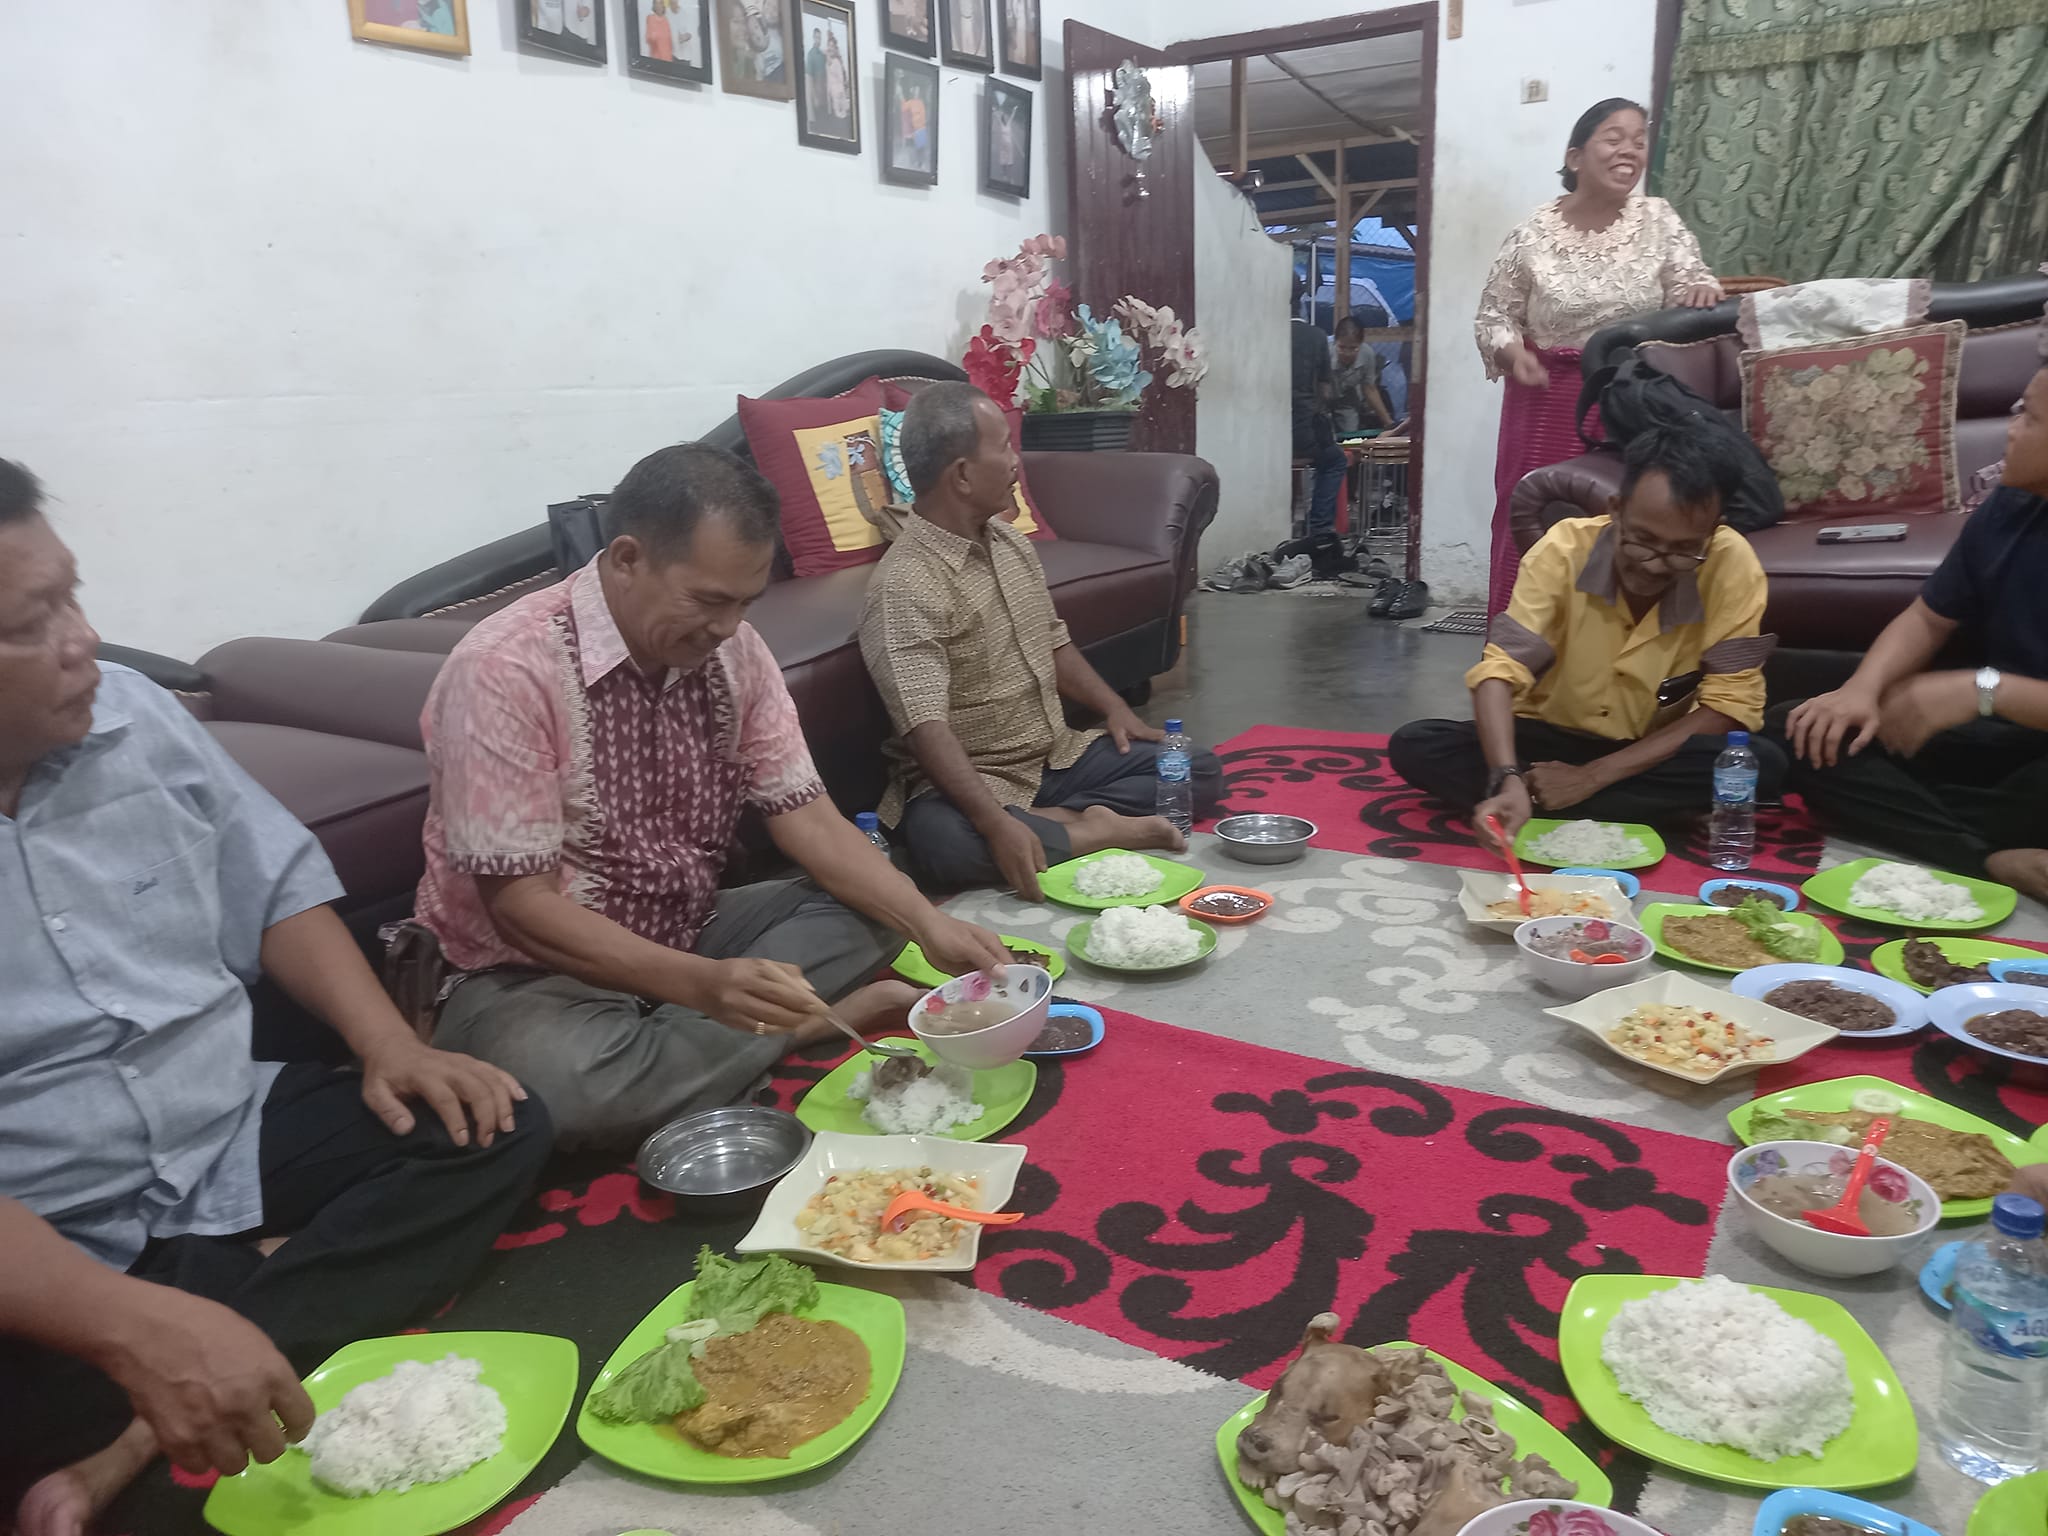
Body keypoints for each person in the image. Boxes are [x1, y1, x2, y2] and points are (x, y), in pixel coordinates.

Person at [0, 460, 550, 1536]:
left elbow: (275, 891)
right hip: (42, 1220)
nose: (83, 639)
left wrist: (390, 1043)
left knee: (493, 1122)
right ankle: (226, 1305)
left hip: (221, 1123)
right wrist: (118, 1321)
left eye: (72, 596)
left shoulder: (137, 717)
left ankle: (143, 1421)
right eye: (32, 623)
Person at [410, 444, 1007, 1151]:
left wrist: (926, 924)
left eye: (745, 602)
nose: (727, 627)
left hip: (686, 923)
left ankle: (698, 1045)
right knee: (568, 1088)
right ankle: (802, 1025)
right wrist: (703, 986)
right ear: (627, 560)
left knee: (877, 903)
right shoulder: (503, 670)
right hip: (528, 973)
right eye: (709, 600)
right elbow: (521, 909)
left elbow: (808, 818)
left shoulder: (735, 652)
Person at [859, 383, 1225, 895]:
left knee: (1194, 769)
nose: (1016, 461)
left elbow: (1052, 642)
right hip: (975, 780)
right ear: (962, 475)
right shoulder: (905, 583)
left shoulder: (1010, 543)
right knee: (943, 844)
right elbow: (926, 728)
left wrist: (1115, 709)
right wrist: (993, 822)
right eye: (1004, 447)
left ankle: (1049, 828)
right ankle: (1094, 832)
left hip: (1057, 759)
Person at [1388, 426, 1786, 841]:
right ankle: (1657, 810)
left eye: (1683, 550)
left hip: (1647, 750)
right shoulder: (1563, 549)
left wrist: (1592, 776)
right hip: (1546, 740)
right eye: (1642, 540)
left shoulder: (1731, 563)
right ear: (1616, 509)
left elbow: (1728, 705)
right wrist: (1506, 775)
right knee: (1417, 744)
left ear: (1713, 530)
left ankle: (1564, 804)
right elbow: (1499, 672)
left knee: (1763, 763)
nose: (1654, 565)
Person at [1778, 363, 2048, 902]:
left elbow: (1984, 691)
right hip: (1999, 742)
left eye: (2032, 418)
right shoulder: (2012, 505)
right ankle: (1989, 858)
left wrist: (1982, 690)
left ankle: (1951, 830)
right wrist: (1859, 691)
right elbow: (1927, 617)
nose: (2012, 428)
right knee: (1807, 729)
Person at [1475, 97, 1723, 614]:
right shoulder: (1532, 234)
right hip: (1546, 398)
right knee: (1536, 525)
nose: (1629, 150)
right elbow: (1495, 316)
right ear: (1575, 157)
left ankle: (1612, 648)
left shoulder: (1659, 219)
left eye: (1639, 141)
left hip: (1631, 397)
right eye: (1614, 138)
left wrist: (1701, 290)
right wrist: (1513, 353)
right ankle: (1522, 647)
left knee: (1628, 524)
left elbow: (1691, 282)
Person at [1291, 281, 1346, 536]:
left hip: (1263, 436)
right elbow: (1326, 391)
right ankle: (1320, 528)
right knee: (1335, 461)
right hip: (1302, 435)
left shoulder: (1262, 334)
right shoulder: (1316, 336)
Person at [1330, 315, 1392, 437]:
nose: (1347, 353)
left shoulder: (1367, 354)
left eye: (1353, 348)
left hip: (1347, 401)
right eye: (1342, 347)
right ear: (1335, 341)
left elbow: (1370, 389)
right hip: (1323, 401)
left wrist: (1388, 422)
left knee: (1350, 435)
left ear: (1361, 344)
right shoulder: (1326, 352)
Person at [824, 30, 850, 126]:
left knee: (840, 115)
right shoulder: (828, 62)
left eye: (832, 46)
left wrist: (840, 94)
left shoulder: (836, 61)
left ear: (835, 48)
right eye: (828, 46)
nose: (829, 48)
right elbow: (829, 78)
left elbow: (841, 79)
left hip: (838, 92)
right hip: (832, 92)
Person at [806, 26, 828, 113]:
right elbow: (810, 79)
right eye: (817, 37)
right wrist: (815, 97)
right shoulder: (811, 54)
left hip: (825, 92)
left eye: (820, 38)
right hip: (817, 93)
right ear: (813, 38)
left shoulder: (823, 54)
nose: (818, 40)